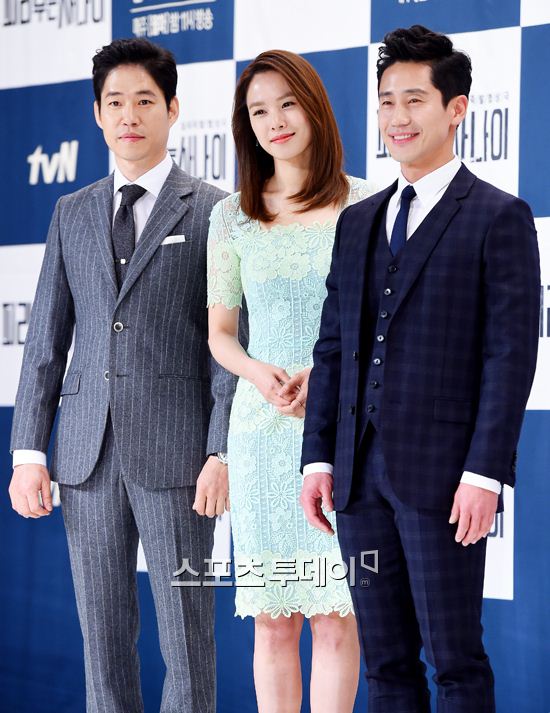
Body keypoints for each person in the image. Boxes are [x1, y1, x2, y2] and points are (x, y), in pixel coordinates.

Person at [300, 25, 540, 713]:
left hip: (445, 478)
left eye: (414, 100)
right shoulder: (358, 222)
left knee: (456, 660)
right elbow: (332, 347)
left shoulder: (498, 216)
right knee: (385, 664)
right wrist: (318, 458)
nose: (396, 118)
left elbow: (510, 356)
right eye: (386, 102)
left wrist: (485, 473)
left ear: (455, 109)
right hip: (357, 480)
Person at [8, 38, 234, 713]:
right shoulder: (71, 212)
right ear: (97, 115)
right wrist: (28, 452)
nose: (129, 115)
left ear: (172, 109)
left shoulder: (214, 209)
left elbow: (226, 346)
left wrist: (220, 451)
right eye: (115, 103)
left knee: (188, 641)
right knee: (102, 644)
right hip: (86, 456)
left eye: (144, 101)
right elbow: (45, 343)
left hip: (179, 455)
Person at [206, 49, 375, 713]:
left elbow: (384, 320)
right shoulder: (231, 216)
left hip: (344, 427)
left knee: (337, 616)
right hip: (261, 430)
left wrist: (323, 372)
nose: (274, 121)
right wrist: (257, 370)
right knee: (274, 620)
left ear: (314, 108)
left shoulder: (366, 202)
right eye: (258, 112)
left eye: (286, 104)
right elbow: (221, 333)